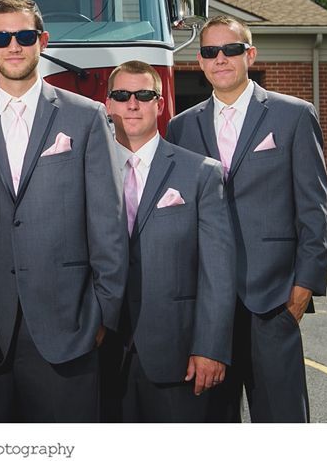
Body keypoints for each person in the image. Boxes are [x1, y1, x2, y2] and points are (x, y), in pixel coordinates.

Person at [0, 0, 127, 422]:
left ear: (42, 40)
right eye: (2, 36)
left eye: (25, 35)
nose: (14, 46)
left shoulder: (87, 117)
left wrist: (103, 312)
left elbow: (108, 221)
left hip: (68, 327)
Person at [166, 14, 327, 422]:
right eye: (210, 52)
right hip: (206, 308)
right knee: (213, 425)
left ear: (249, 54)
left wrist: (302, 290)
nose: (220, 58)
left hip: (272, 301)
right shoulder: (180, 127)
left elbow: (315, 209)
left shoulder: (293, 115)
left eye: (231, 49)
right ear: (200, 62)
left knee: (281, 423)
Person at [103, 60, 235, 422]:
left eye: (144, 95)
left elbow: (218, 271)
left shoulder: (201, 173)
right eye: (122, 95)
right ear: (108, 104)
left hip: (179, 357)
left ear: (159, 104)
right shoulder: (86, 170)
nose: (133, 104)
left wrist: (211, 347)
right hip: (100, 354)